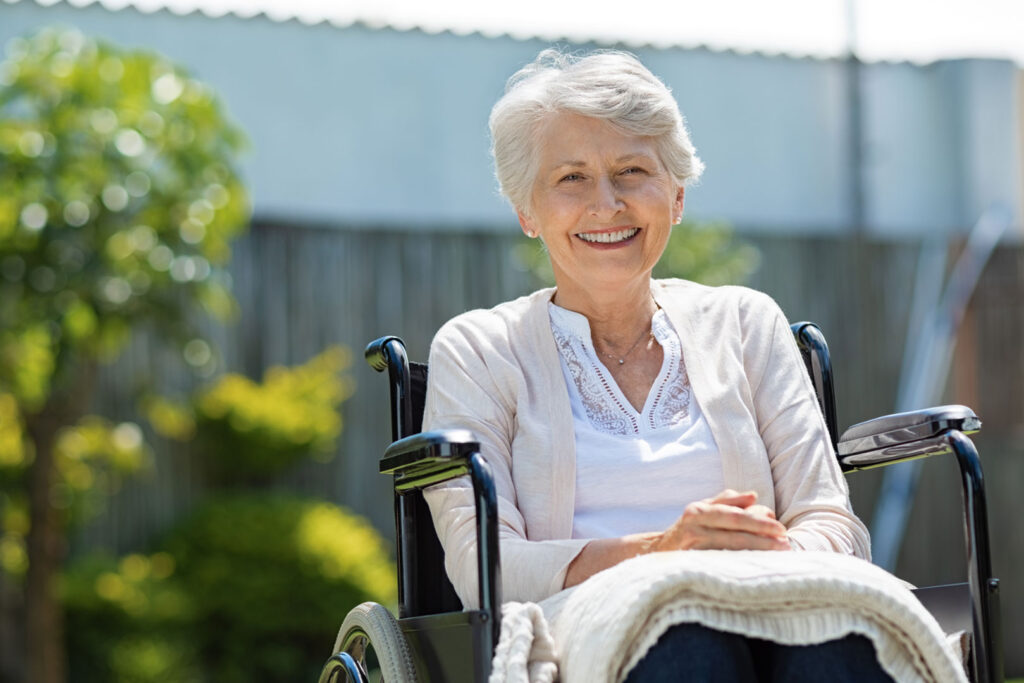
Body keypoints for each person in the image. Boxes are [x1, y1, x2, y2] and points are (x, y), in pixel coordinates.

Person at [421, 48, 890, 682]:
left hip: (770, 603)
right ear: (526, 211)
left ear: (676, 195)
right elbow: (485, 565)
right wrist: (664, 555)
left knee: (840, 648)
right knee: (688, 645)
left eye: (631, 170)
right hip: (583, 628)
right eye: (571, 178)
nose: (606, 203)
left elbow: (831, 520)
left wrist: (749, 573)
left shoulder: (746, 323)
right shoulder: (478, 351)